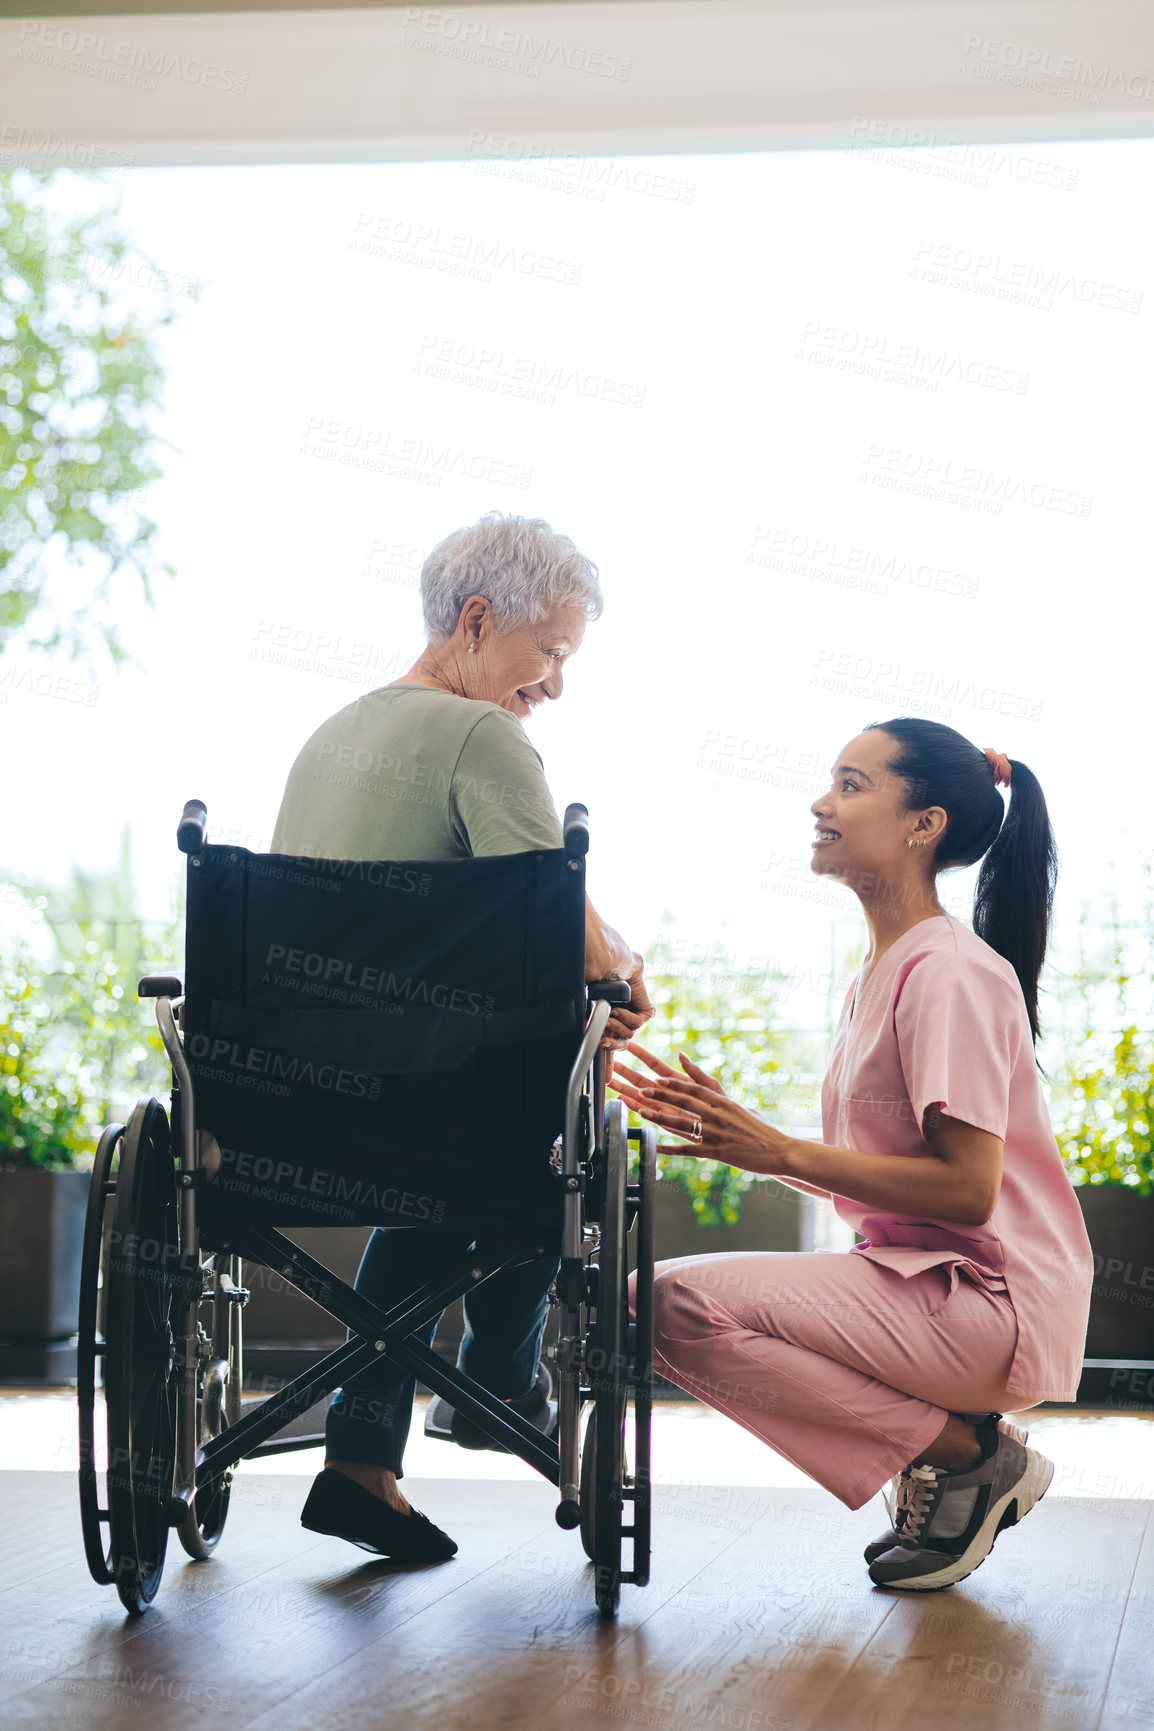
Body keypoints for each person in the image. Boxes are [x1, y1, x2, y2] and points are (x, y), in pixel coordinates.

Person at [612, 718, 1093, 1591]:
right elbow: (899, 1179)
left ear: (925, 823)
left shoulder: (946, 970)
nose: (821, 802)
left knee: (669, 1303)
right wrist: (750, 1144)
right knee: (656, 1300)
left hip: (989, 1301)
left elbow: (969, 1189)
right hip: (925, 1281)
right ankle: (954, 1455)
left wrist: (774, 1146)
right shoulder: (883, 969)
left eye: (851, 783)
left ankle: (964, 1453)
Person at [270, 511, 653, 1562]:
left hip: (292, 1111)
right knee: (566, 1122)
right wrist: (621, 968)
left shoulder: (331, 735)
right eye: (553, 654)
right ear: (479, 621)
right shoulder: (484, 736)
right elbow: (554, 926)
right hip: (438, 1113)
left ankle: (359, 1460)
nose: (555, 686)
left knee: (432, 1159)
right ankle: (496, 1380)